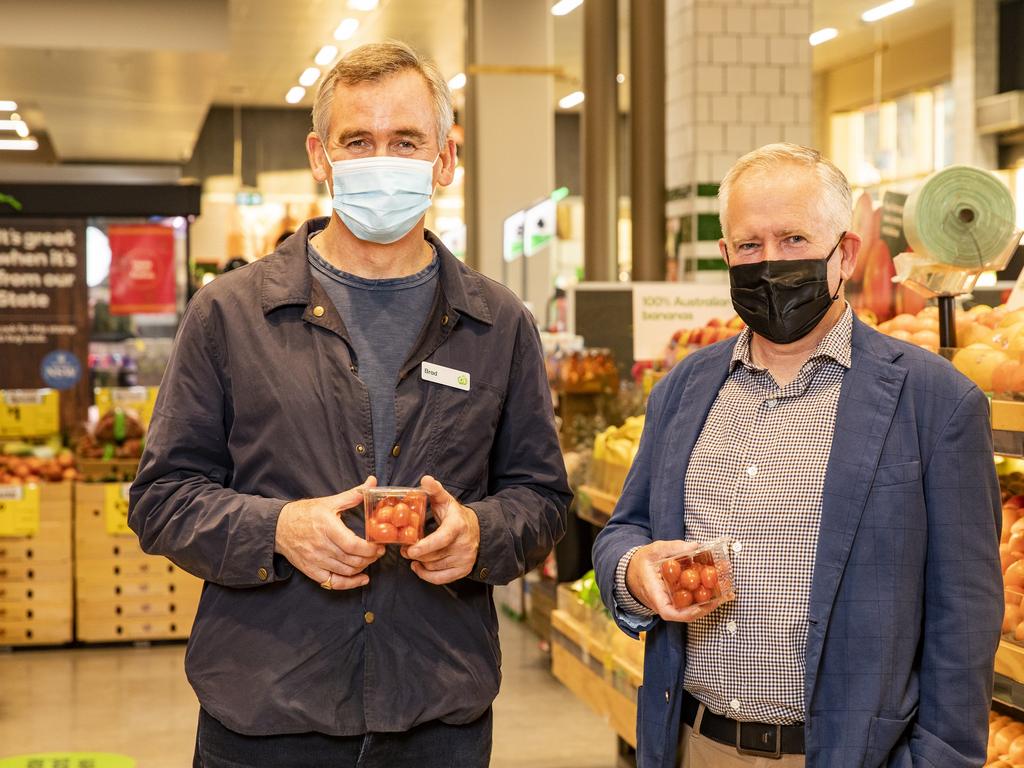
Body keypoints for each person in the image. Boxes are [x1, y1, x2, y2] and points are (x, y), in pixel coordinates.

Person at [129, 41, 570, 768]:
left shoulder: (499, 324)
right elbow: (162, 499)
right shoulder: (230, 315)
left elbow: (543, 498)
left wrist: (480, 534)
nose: (381, 159)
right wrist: (279, 528)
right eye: (357, 141)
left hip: (437, 715)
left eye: (406, 141)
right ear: (319, 156)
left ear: (445, 158)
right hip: (265, 712)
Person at [592, 143, 1002, 768]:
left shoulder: (936, 402)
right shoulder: (684, 388)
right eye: (749, 246)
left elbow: (965, 620)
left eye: (793, 240)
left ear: (844, 253)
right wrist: (632, 571)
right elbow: (627, 527)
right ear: (726, 256)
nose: (770, 263)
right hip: (692, 743)